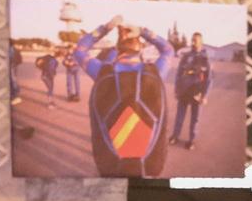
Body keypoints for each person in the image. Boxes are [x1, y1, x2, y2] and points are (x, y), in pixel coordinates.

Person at [75, 16, 175, 177]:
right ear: (141, 46)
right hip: (149, 165)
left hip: (110, 164)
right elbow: (168, 50)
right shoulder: (155, 72)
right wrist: (143, 31)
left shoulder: (102, 72)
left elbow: (80, 51)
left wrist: (105, 27)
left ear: (117, 47)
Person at [170, 32, 210, 148]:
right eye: (192, 40)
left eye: (195, 41)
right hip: (184, 91)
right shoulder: (186, 56)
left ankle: (191, 140)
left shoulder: (205, 59)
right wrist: (176, 89)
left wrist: (205, 95)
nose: (193, 43)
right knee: (179, 116)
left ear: (201, 42)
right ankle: (175, 136)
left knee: (195, 119)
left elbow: (208, 79)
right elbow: (178, 74)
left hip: (197, 92)